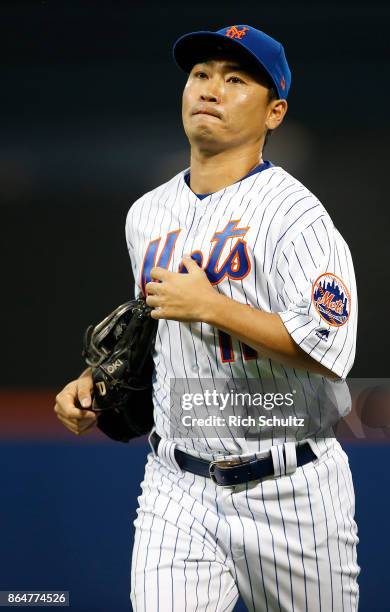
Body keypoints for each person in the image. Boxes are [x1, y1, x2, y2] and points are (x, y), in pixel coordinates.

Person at [54, 24, 359, 612]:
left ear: (275, 112)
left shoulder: (298, 217)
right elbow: (154, 331)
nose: (210, 89)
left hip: (292, 491)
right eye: (200, 75)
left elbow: (329, 349)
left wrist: (212, 306)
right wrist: (98, 379)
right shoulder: (147, 214)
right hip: (178, 487)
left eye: (235, 79)